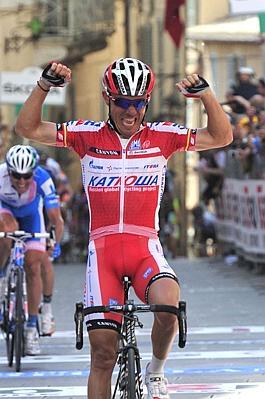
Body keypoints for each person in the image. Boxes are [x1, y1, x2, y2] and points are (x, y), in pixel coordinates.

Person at [14, 58, 232, 398]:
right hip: (103, 257)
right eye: (122, 102)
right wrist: (44, 85)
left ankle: (156, 370)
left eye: (138, 103)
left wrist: (206, 95)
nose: (131, 111)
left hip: (145, 250)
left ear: (146, 102)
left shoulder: (164, 137)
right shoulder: (86, 136)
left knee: (169, 303)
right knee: (102, 355)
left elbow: (222, 136)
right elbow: (27, 128)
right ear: (107, 99)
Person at [0, 145, 64, 354]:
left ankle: (31, 329)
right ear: (8, 171)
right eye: (16, 176)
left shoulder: (43, 178)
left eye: (26, 177)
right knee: (8, 229)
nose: (21, 182)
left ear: (34, 172)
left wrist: (55, 243)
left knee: (34, 265)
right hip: (6, 212)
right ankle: (2, 278)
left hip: (31, 216)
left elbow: (56, 219)